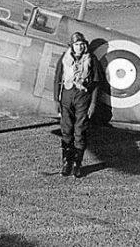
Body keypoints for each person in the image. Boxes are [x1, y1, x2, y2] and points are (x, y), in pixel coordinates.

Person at [54, 32, 101, 178]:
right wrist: (56, 100)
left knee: (80, 131)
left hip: (83, 97)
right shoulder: (64, 58)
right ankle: (66, 163)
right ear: (72, 46)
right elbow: (57, 79)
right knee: (66, 130)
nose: (80, 47)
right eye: (77, 45)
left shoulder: (91, 59)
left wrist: (93, 103)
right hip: (67, 96)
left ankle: (77, 165)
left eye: (82, 44)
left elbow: (96, 83)